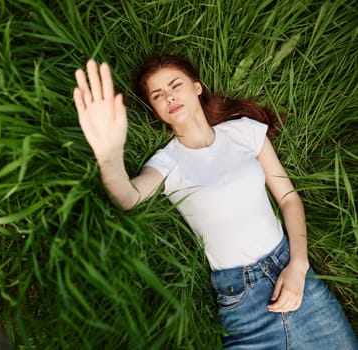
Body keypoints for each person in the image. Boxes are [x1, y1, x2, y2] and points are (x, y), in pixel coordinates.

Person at [73, 55, 358, 349]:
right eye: (158, 95)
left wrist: (299, 264)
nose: (169, 96)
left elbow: (288, 198)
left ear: (197, 87)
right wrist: (108, 155)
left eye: (175, 85)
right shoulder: (167, 163)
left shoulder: (244, 131)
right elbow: (127, 197)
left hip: (293, 271)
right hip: (242, 301)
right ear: (155, 110)